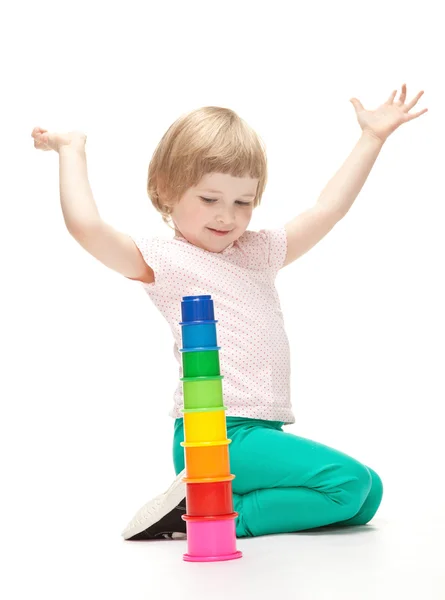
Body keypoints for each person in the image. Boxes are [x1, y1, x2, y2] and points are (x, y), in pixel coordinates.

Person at [32, 84, 427, 541]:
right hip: (214, 436)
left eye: (243, 202)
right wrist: (71, 150)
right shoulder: (164, 259)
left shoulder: (257, 252)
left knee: (367, 496)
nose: (227, 217)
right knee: (347, 485)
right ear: (165, 192)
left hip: (262, 431)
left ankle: (208, 503)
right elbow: (87, 227)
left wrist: (371, 138)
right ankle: (213, 515)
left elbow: (327, 210)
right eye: (209, 199)